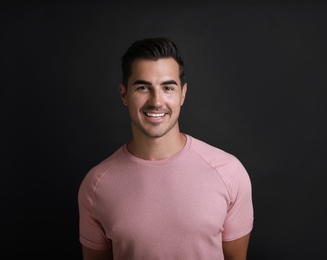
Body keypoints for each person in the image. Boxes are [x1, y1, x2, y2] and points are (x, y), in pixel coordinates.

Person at [78, 37, 254, 260]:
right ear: (124, 94)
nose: (156, 101)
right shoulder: (96, 185)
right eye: (143, 87)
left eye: (168, 87)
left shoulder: (229, 172)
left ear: (182, 94)